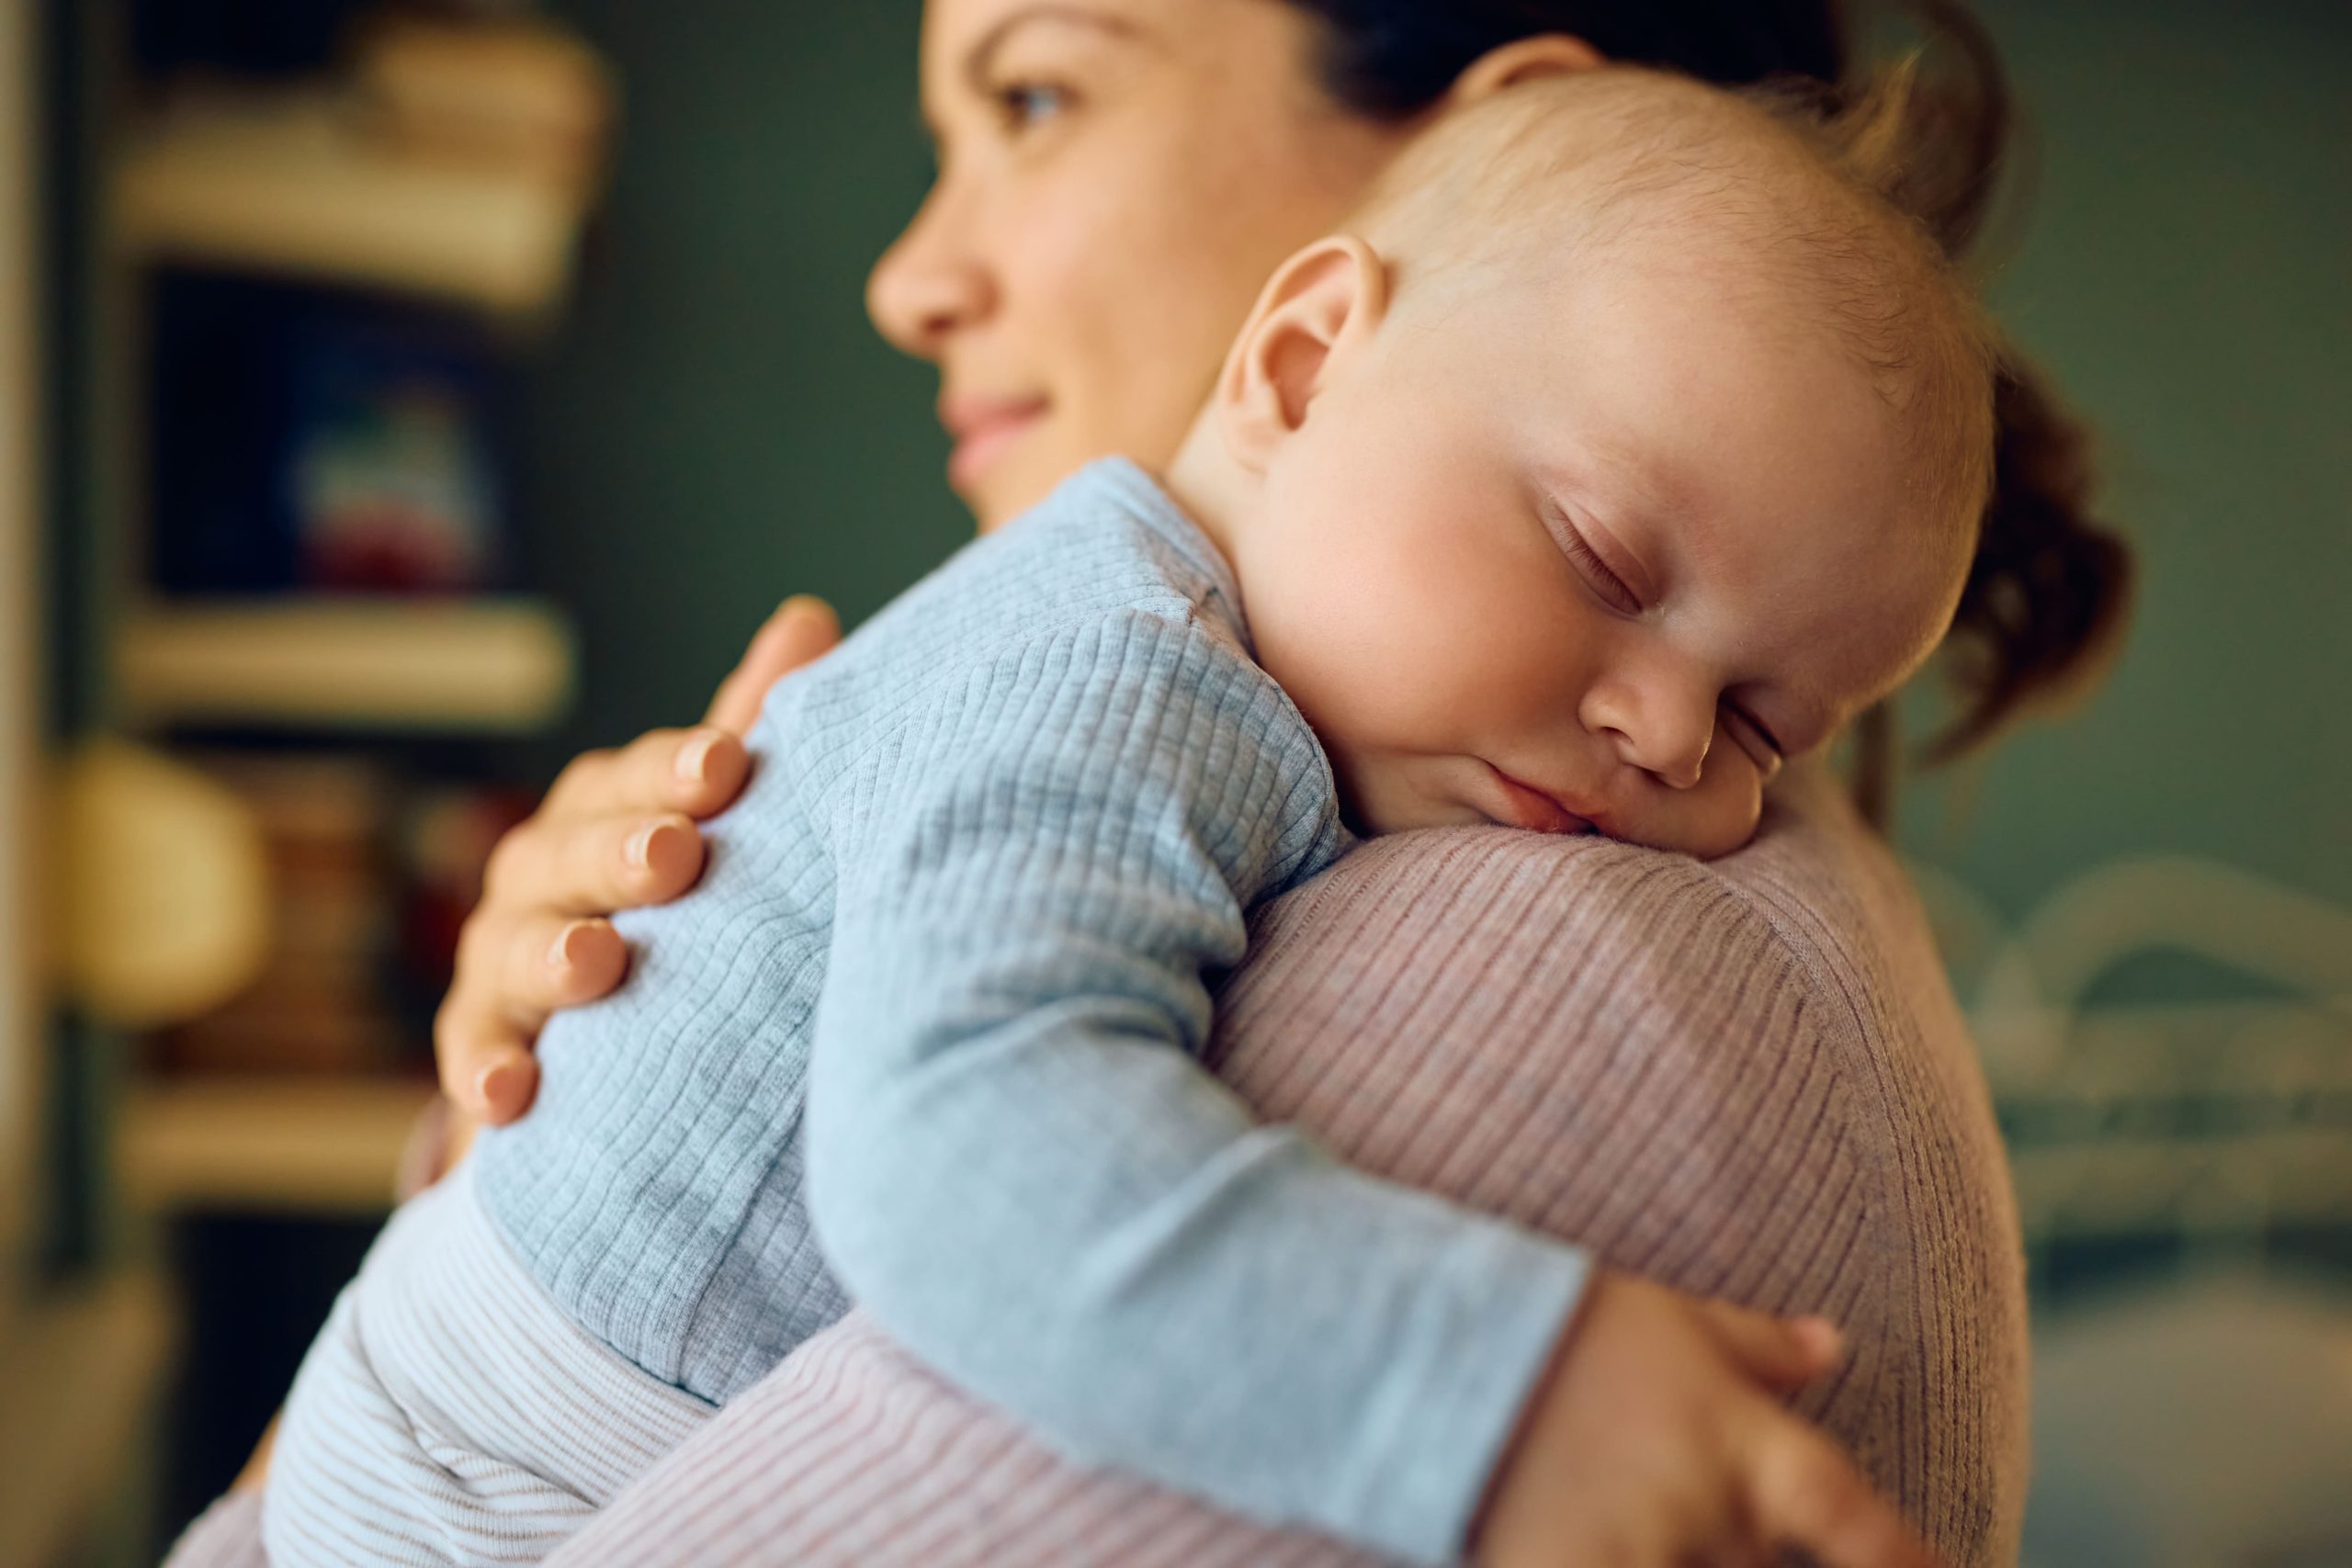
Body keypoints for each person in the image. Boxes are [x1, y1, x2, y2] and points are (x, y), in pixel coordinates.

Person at [168, 2, 2129, 1564]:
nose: (1674, 742)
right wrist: (1483, 1383)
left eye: (1033, 94)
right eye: (1610, 570)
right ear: (1298, 360)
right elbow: (962, 1147)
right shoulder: (1124, 658)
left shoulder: (1549, 943)